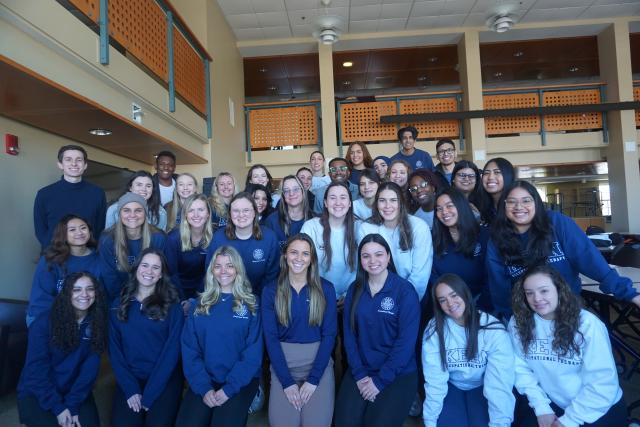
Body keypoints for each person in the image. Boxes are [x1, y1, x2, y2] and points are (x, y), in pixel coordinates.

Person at [487, 180, 640, 319]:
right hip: (526, 315)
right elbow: (499, 286)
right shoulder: (497, 238)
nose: (519, 207)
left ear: (537, 203)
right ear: (503, 206)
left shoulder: (556, 223)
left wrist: (628, 293)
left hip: (567, 309)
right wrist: (507, 320)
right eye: (511, 202)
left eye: (526, 201)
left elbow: (589, 259)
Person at [508, 265, 627, 427]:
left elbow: (602, 383)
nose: (536, 299)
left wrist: (570, 420)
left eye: (544, 291)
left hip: (598, 406)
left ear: (559, 290)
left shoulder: (587, 324)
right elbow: (520, 368)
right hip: (554, 404)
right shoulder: (519, 322)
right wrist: (542, 408)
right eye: (529, 293)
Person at [335, 234, 420, 427]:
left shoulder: (404, 292)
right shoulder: (355, 289)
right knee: (344, 422)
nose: (373, 261)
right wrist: (359, 374)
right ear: (360, 260)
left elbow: (405, 345)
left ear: (389, 257)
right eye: (366, 256)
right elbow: (349, 337)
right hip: (362, 369)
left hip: (398, 373)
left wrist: (379, 382)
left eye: (379, 254)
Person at [177, 246, 262, 427]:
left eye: (230, 266)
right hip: (205, 379)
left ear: (238, 269)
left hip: (240, 381)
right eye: (218, 266)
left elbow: (253, 355)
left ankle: (255, 395)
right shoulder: (199, 305)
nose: (223, 271)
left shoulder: (252, 304)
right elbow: (190, 350)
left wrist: (229, 390)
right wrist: (203, 387)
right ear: (211, 270)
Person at [262, 234, 337, 427]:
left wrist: (313, 380)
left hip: (317, 365)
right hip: (283, 366)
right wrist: (286, 382)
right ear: (285, 255)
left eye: (305, 254)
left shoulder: (325, 288)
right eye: (293, 252)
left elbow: (329, 335)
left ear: (312, 258)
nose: (298, 258)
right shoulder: (271, 290)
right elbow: (270, 338)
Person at [422, 274, 514, 427]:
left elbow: (499, 384)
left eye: (454, 295)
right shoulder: (434, 329)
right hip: (451, 386)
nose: (450, 303)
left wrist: (500, 423)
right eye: (442, 300)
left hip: (483, 386)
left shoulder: (493, 329)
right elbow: (435, 380)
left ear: (465, 293)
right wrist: (430, 421)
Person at [17, 272, 107, 427]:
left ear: (96, 293)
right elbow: (35, 371)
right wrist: (58, 407)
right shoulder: (43, 323)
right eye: (76, 289)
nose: (84, 294)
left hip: (73, 391)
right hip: (38, 392)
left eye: (90, 289)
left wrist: (72, 404)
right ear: (66, 293)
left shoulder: (97, 323)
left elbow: (89, 372)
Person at [109, 249, 184, 427]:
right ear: (136, 269)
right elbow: (115, 351)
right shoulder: (118, 304)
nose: (149, 271)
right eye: (145, 265)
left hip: (163, 379)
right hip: (131, 378)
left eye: (155, 267)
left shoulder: (173, 307)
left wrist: (151, 393)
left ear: (161, 275)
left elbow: (172, 353)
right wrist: (130, 388)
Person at [358, 182, 432, 300]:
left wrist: (403, 301)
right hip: (377, 295)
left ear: (401, 202)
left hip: (412, 296)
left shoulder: (419, 227)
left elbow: (420, 276)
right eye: (382, 200)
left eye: (393, 200)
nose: (387, 206)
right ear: (376, 203)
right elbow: (367, 269)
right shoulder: (366, 228)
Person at [26, 214, 100, 326]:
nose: (79, 232)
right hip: (47, 316)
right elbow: (41, 300)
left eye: (83, 228)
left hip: (87, 319)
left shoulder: (100, 259)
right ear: (63, 235)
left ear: (89, 232)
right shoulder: (50, 259)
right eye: (72, 229)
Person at [206, 192, 280, 297]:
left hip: (259, 296)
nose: (241, 215)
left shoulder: (269, 237)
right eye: (236, 211)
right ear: (230, 214)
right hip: (224, 295)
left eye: (246, 210)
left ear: (255, 212)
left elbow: (272, 275)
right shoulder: (218, 238)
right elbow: (210, 271)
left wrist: (257, 299)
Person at [33, 145, 107, 249]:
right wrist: (52, 251)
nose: (74, 163)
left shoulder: (97, 193)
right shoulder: (44, 194)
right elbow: (40, 230)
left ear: (85, 165)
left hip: (87, 256)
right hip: (54, 256)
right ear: (60, 164)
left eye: (79, 160)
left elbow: (100, 228)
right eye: (68, 159)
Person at [431, 188, 491, 312]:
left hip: (481, 306)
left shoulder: (484, 236)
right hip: (448, 307)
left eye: (449, 206)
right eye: (439, 209)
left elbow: (492, 279)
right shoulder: (434, 240)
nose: (444, 212)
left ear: (461, 206)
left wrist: (477, 310)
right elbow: (434, 278)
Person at [98, 192, 166, 301]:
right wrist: (124, 301)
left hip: (151, 296)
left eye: (138, 210)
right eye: (126, 210)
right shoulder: (107, 239)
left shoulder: (158, 237)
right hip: (118, 297)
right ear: (119, 214)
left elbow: (160, 273)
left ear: (145, 213)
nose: (132, 215)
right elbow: (109, 277)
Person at [301, 182, 359, 300]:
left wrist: (348, 296)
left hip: (352, 296)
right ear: (325, 203)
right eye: (332, 198)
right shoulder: (311, 227)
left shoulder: (360, 227)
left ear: (349, 204)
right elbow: (303, 265)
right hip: (318, 295)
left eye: (343, 198)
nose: (338, 202)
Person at [164, 194, 212, 304]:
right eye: (191, 210)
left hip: (205, 291)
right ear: (185, 214)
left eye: (200, 210)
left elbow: (210, 273)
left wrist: (195, 300)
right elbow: (171, 274)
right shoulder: (173, 238)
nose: (196, 215)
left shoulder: (215, 237)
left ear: (208, 214)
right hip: (176, 292)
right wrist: (183, 300)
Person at [266, 176, 314, 247]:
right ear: (283, 195)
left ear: (302, 191)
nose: (291, 193)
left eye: (296, 189)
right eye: (286, 190)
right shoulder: (271, 221)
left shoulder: (314, 219)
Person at [479, 157, 515, 224]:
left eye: (497, 172)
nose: (491, 177)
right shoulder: (484, 206)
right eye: (486, 173)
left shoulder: (514, 205)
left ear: (508, 175)